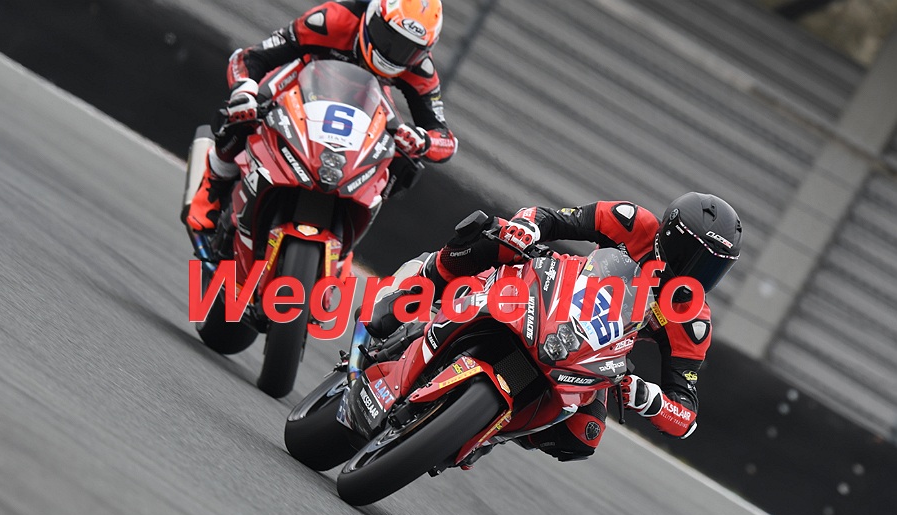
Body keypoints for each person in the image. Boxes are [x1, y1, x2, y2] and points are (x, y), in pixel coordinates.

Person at [367, 192, 743, 462]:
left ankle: (488, 430)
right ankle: (408, 296)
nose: (698, 274)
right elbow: (554, 218)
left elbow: (685, 414)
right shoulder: (632, 221)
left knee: (584, 436)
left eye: (713, 268)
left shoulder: (692, 319)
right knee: (492, 236)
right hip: (556, 287)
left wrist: (648, 398)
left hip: (597, 348)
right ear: (670, 235)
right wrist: (527, 227)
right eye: (693, 258)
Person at [185, 0, 458, 232]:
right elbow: (252, 57)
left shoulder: (420, 67)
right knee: (245, 107)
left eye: (407, 49)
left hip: (369, 101)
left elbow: (444, 137)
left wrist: (423, 141)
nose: (391, 52)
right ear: (372, 17)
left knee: (405, 160)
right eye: (388, 37)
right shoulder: (332, 19)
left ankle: (348, 224)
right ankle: (214, 185)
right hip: (304, 79)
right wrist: (245, 90)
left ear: (425, 50)